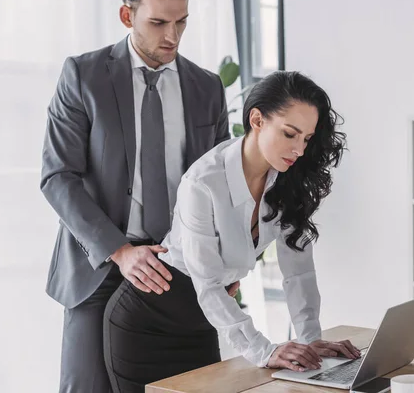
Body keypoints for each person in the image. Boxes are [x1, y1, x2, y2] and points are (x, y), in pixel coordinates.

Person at [103, 70, 359, 392]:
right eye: (290, 134)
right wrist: (265, 350)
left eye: (306, 139)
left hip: (201, 323)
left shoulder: (288, 181)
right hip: (146, 323)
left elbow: (299, 273)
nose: (300, 149)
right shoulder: (202, 183)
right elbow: (208, 283)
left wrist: (310, 343)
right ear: (257, 120)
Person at [40, 0, 232, 391]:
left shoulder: (207, 87)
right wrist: (121, 251)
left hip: (177, 266)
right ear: (127, 15)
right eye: (159, 23)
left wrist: (225, 261)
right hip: (99, 266)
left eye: (181, 22)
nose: (173, 36)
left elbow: (221, 186)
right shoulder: (83, 75)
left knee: (189, 387)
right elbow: (58, 176)